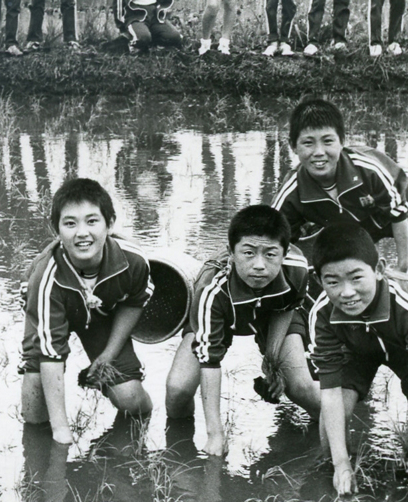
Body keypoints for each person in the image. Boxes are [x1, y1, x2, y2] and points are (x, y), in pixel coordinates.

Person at [273, 98, 408, 321]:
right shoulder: (292, 191)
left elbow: (399, 212)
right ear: (293, 146)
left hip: (398, 214)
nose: (319, 152)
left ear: (342, 141)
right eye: (308, 143)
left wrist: (402, 267)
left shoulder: (368, 169)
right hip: (349, 230)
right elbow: (268, 235)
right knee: (347, 284)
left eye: (328, 141)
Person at [309, 221, 408, 496]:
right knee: (330, 441)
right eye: (333, 282)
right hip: (355, 350)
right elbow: (329, 392)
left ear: (379, 270)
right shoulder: (322, 314)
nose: (347, 292)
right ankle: (344, 487)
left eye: (356, 278)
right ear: (319, 280)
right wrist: (341, 463)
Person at [164, 205, 320, 457]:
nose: (259, 265)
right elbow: (209, 360)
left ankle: (327, 438)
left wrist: (271, 360)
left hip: (273, 312)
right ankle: (180, 449)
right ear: (231, 252)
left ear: (285, 252)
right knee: (178, 389)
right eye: (248, 253)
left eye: (270, 254)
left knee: (301, 387)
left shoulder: (297, 269)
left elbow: (288, 307)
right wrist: (215, 434)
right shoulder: (211, 289)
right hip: (219, 314)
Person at [21, 178, 154, 446]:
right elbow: (51, 353)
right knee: (35, 416)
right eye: (70, 223)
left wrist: (107, 355)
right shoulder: (46, 279)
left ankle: (116, 452)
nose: (82, 233)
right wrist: (62, 432)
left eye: (92, 221)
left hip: (101, 316)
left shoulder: (134, 260)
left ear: (110, 224)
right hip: (48, 315)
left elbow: (134, 302)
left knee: (132, 402)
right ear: (56, 229)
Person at [114, 0, 183, 52]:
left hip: (155, 14)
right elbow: (118, 3)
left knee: (174, 37)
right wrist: (121, 26)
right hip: (135, 15)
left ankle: (154, 44)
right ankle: (132, 45)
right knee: (143, 37)